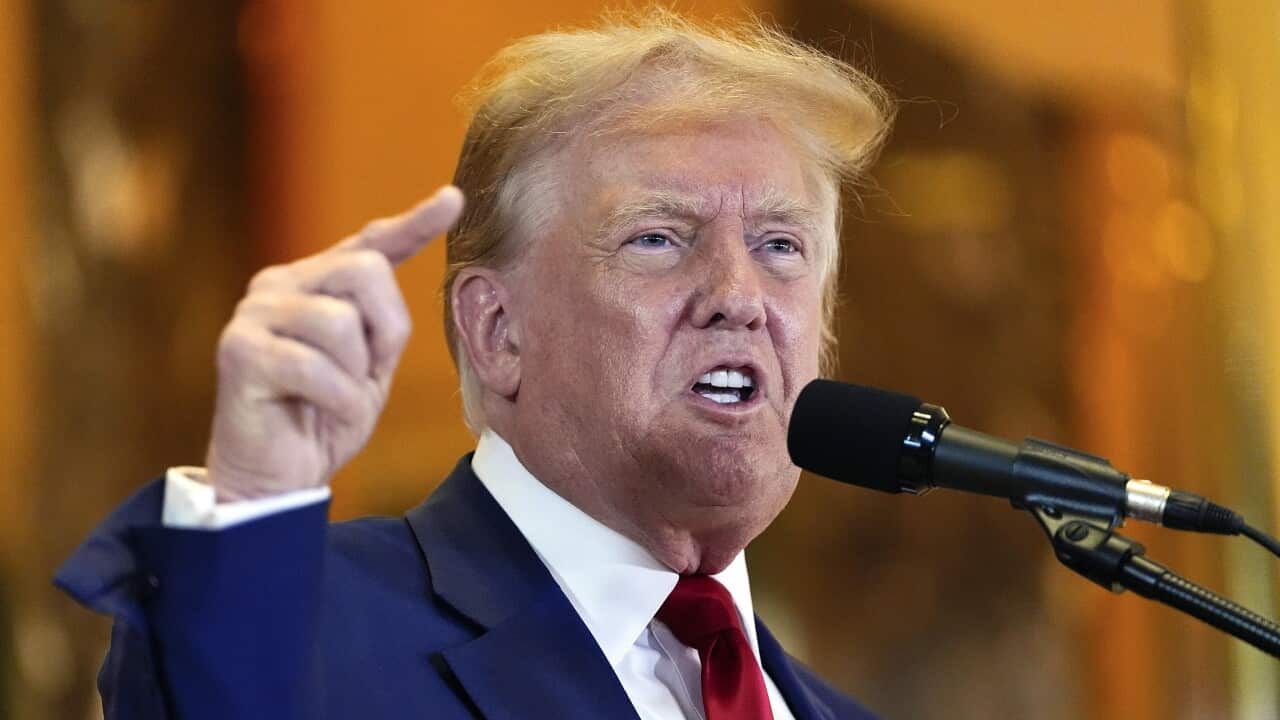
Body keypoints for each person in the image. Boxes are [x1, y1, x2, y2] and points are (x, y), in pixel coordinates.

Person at [56, 9, 892, 719]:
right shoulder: (316, 631)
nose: (738, 294)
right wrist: (253, 509)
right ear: (496, 330)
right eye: (659, 238)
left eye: (781, 245)